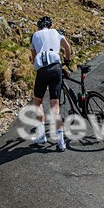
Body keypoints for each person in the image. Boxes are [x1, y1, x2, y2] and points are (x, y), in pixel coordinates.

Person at [29, 16, 72, 152]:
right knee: (55, 106)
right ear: (50, 25)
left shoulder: (34, 35)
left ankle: (41, 136)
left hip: (42, 69)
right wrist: (67, 60)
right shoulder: (57, 32)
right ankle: (61, 142)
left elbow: (33, 56)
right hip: (56, 68)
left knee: (38, 102)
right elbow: (67, 48)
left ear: (39, 26)